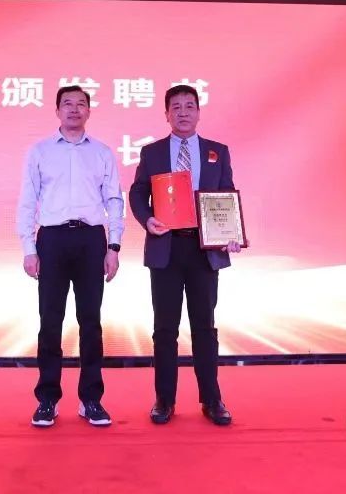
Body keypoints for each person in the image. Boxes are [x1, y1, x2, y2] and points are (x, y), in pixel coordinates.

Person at [129, 84, 241, 426]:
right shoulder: (152, 152)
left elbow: (225, 196)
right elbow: (137, 193)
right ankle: (164, 399)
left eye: (189, 106)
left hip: (204, 250)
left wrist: (230, 233)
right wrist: (147, 219)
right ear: (166, 114)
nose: (183, 112)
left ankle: (212, 399)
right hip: (166, 247)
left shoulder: (217, 152)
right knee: (165, 329)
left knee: (205, 327)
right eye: (175, 107)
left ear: (198, 112)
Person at [16, 85, 124, 428]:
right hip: (52, 239)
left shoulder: (102, 153)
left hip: (92, 239)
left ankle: (91, 399)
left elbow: (114, 201)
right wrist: (29, 248)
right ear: (57, 111)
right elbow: (27, 201)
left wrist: (114, 247)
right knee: (50, 322)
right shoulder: (40, 151)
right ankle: (47, 399)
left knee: (91, 322)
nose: (74, 109)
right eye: (67, 104)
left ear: (89, 111)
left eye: (80, 104)